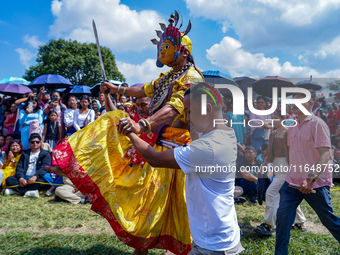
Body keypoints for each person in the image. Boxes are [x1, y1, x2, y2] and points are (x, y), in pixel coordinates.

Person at [51, 13, 203, 255]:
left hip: (180, 156)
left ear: (183, 51)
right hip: (159, 149)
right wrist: (115, 87)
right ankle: (73, 161)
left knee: (180, 213)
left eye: (167, 46)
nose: (162, 51)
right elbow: (142, 89)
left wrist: (143, 125)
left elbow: (175, 107)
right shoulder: (168, 76)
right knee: (147, 206)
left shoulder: (192, 77)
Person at [117, 83, 244, 254]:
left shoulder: (208, 147)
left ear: (207, 108)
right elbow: (197, 135)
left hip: (215, 246)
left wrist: (130, 131)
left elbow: (154, 158)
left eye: (189, 112)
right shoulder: (226, 134)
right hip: (215, 237)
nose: (187, 117)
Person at [275, 90, 340, 255]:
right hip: (293, 182)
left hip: (315, 183)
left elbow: (325, 154)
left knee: (329, 220)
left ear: (310, 103)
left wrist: (311, 178)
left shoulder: (318, 124)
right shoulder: (293, 125)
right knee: (282, 219)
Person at [253, 107, 306, 236]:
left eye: (275, 117)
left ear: (284, 118)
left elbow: (295, 152)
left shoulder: (290, 132)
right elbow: (269, 152)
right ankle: (300, 223)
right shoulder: (273, 133)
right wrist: (263, 165)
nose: (273, 120)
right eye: (272, 117)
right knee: (288, 194)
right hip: (277, 165)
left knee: (271, 193)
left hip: (287, 167)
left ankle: (268, 224)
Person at [5, 133, 51, 198]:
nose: (35, 143)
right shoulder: (25, 154)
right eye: (32, 142)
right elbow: (19, 167)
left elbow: (45, 168)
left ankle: (18, 191)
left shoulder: (45, 154)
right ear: (29, 143)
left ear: (40, 143)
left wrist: (35, 176)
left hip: (36, 178)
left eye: (37, 142)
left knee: (43, 182)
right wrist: (21, 178)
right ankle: (29, 192)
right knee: (9, 179)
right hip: (24, 177)